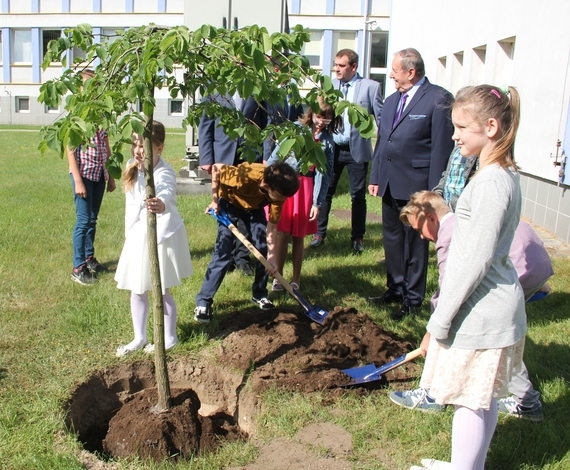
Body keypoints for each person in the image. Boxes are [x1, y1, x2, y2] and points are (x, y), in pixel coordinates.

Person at [403, 84, 527, 470]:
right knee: (480, 395)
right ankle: (466, 465)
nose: (454, 136)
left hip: (482, 309)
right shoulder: (495, 174)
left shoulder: (491, 183)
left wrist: (440, 320)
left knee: (469, 399)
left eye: (461, 127)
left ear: (491, 127)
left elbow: (473, 261)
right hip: (488, 305)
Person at [393, 191, 553, 423]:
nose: (420, 237)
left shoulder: (449, 235)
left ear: (431, 219)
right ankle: (526, 401)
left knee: (485, 333)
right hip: (532, 263)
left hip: (521, 268)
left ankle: (434, 395)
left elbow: (450, 291)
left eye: (419, 230)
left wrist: (433, 331)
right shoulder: (461, 218)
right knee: (500, 337)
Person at [368, 48, 454, 320]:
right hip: (391, 183)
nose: (391, 74)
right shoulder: (393, 100)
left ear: (411, 72)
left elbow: (441, 149)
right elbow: (383, 140)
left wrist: (432, 194)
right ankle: (395, 287)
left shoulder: (438, 99)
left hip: (418, 187)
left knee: (415, 243)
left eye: (395, 70)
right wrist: (376, 176)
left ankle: (412, 298)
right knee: (392, 238)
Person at [114, 121, 192, 357]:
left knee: (161, 288)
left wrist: (161, 203)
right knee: (137, 288)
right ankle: (139, 336)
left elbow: (166, 190)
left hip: (161, 234)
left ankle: (169, 337)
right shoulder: (131, 166)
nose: (138, 150)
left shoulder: (164, 170)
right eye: (135, 144)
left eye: (144, 145)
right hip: (138, 233)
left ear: (159, 148)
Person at [194, 161, 300, 323]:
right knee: (223, 253)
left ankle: (260, 294)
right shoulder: (245, 176)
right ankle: (203, 302)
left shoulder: (279, 193)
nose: (284, 200)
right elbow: (216, 168)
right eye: (282, 196)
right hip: (229, 204)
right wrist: (214, 200)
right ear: (266, 186)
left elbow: (271, 228)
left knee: (263, 248)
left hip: (253, 209)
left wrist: (271, 257)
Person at [309, 48, 383, 253]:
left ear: (354, 67)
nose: (337, 69)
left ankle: (357, 237)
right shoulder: (330, 86)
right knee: (325, 191)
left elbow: (381, 119)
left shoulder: (371, 87)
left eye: (342, 65)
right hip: (331, 148)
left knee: (357, 195)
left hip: (356, 150)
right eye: (336, 65)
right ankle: (319, 233)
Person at [266, 97, 337, 291]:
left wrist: (317, 202)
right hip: (287, 184)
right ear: (311, 113)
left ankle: (296, 279)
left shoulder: (328, 141)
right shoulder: (296, 129)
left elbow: (326, 173)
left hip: (306, 188)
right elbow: (276, 156)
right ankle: (277, 277)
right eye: (319, 117)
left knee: (299, 236)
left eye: (327, 119)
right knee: (282, 233)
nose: (322, 122)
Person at [198, 92, 264, 276]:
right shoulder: (214, 88)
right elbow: (205, 123)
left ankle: (242, 258)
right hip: (223, 155)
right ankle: (225, 255)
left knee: (246, 207)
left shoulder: (256, 84)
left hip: (250, 156)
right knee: (224, 206)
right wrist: (206, 157)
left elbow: (266, 123)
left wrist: (265, 156)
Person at [68, 69, 116, 285]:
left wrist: (112, 175)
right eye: (88, 85)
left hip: (99, 174)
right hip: (84, 175)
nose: (93, 89)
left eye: (96, 85)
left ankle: (89, 258)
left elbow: (106, 146)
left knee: (93, 219)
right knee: (83, 220)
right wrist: (78, 180)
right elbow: (70, 150)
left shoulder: (101, 114)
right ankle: (78, 267)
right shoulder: (76, 115)